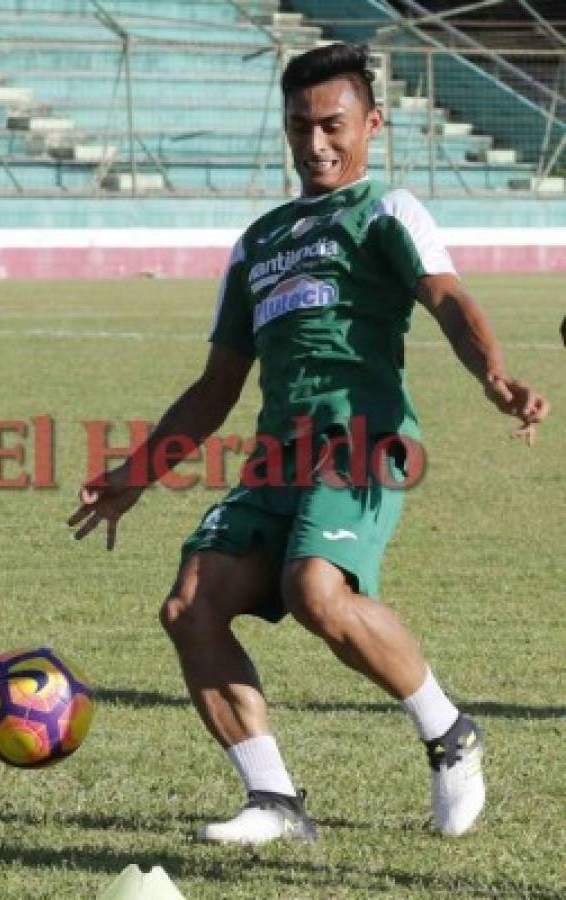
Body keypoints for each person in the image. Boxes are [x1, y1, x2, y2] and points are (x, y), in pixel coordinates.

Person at [68, 43, 550, 845]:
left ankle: (450, 733)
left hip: (362, 437)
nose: (315, 142)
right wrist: (137, 473)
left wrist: (493, 375)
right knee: (190, 606)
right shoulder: (256, 244)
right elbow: (216, 386)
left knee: (314, 590)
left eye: (332, 124)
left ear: (372, 123)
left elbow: (446, 298)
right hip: (275, 457)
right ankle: (275, 803)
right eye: (299, 126)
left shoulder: (385, 210)